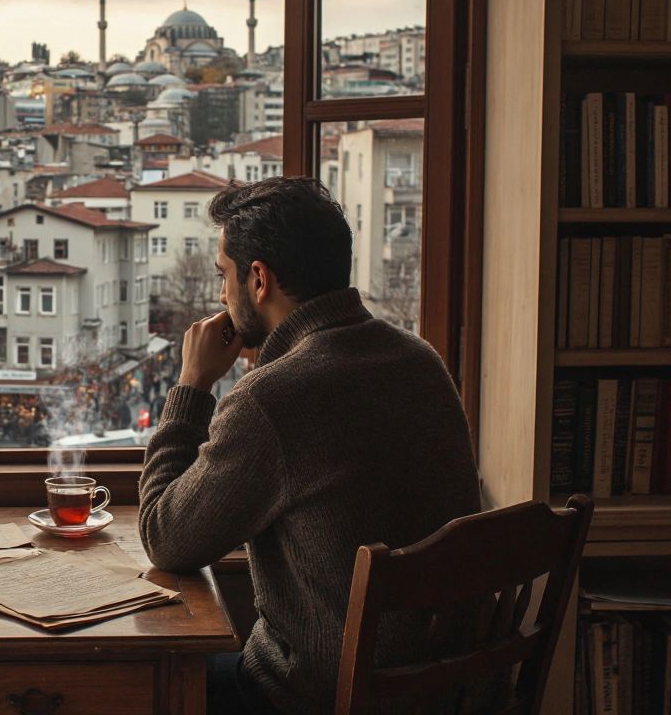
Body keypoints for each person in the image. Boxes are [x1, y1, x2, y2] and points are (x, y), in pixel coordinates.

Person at [138, 177, 480, 714]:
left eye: (223, 276)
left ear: (258, 280)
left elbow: (165, 536)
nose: (220, 296)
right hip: (441, 692)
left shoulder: (272, 400)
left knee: (136, 684)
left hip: (312, 698)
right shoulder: (421, 361)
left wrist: (191, 387)